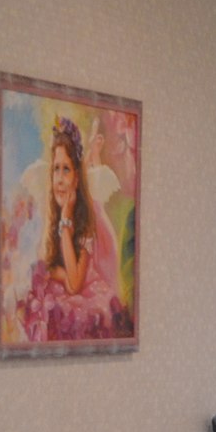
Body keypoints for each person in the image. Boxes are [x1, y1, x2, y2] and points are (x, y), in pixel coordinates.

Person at [16, 118, 131, 342]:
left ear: (76, 178)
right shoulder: (51, 212)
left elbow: (75, 283)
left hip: (87, 292)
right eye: (56, 170)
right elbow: (46, 263)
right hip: (62, 288)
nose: (59, 179)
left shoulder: (86, 220)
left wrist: (66, 223)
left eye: (66, 170)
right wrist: (59, 274)